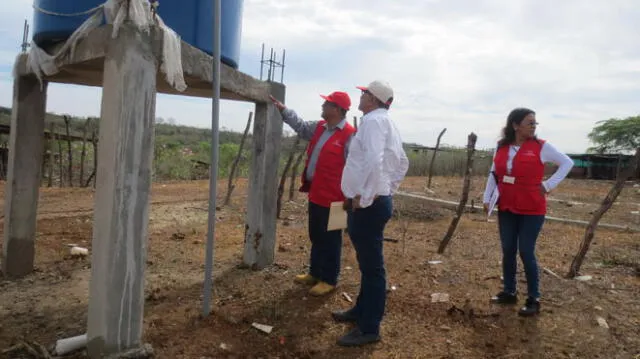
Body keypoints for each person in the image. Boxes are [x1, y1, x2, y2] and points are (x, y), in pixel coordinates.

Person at [332, 80, 409, 346]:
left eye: (364, 93)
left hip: (366, 205)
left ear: (373, 99)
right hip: (374, 200)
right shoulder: (386, 122)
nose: (361, 96)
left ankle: (369, 329)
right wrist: (386, 190)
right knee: (368, 264)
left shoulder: (374, 123)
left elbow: (375, 161)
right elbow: (402, 162)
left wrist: (365, 198)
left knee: (373, 268)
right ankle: (361, 311)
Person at [482, 107, 574, 316]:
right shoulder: (501, 146)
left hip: (532, 208)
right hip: (506, 205)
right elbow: (494, 172)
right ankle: (509, 292)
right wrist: (486, 198)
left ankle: (534, 298)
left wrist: (548, 185)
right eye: (529, 122)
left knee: (525, 250)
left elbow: (567, 163)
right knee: (507, 249)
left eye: (535, 123)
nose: (533, 126)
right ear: (515, 125)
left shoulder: (541, 147)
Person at [269, 91, 356, 296]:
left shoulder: (350, 135)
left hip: (337, 200)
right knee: (316, 235)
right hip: (317, 194)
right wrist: (283, 109)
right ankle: (315, 273)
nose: (323, 106)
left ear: (336, 109)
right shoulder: (319, 127)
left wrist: (351, 197)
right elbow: (299, 125)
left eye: (326, 103)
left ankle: (329, 279)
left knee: (332, 239)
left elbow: (355, 167)